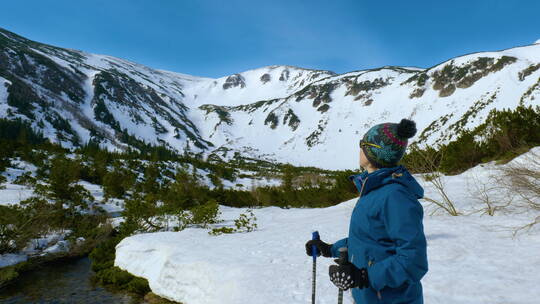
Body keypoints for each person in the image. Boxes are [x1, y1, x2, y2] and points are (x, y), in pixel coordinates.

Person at [306, 119, 428, 304]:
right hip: (370, 297)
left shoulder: (395, 196)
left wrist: (364, 276)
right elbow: (368, 240)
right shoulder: (375, 190)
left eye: (362, 144)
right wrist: (329, 249)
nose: (359, 148)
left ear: (374, 151)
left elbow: (413, 260)